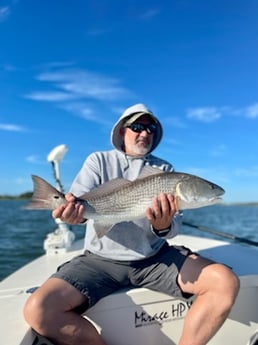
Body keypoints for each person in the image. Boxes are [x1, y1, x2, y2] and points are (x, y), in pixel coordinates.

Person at [24, 103, 240, 345]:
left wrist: (163, 226)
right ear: (121, 132)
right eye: (137, 126)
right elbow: (79, 204)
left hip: (153, 258)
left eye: (151, 129)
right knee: (38, 309)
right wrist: (72, 213)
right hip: (99, 261)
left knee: (224, 281)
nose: (145, 133)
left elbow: (174, 227)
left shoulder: (164, 169)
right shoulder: (99, 160)